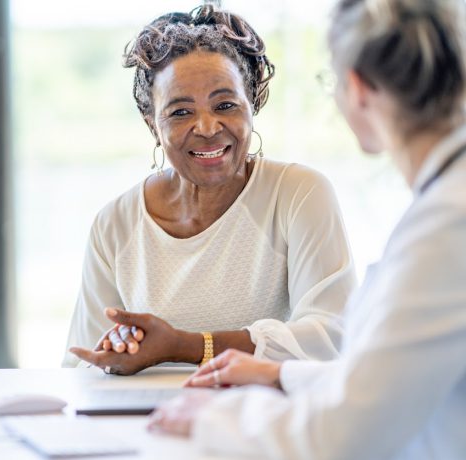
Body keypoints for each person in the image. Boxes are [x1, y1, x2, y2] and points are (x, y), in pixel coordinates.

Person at [146, 0, 466, 458]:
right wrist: (281, 374)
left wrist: (214, 418)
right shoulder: (448, 206)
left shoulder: (446, 229)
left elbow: (342, 436)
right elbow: (387, 378)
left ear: (356, 88)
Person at [64, 5, 357, 374]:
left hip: (264, 423)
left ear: (252, 105)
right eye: (180, 112)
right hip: (151, 423)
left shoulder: (299, 194)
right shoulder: (115, 224)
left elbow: (332, 337)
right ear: (152, 123)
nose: (207, 127)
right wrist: (114, 351)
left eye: (226, 105)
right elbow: (81, 364)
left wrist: (185, 347)